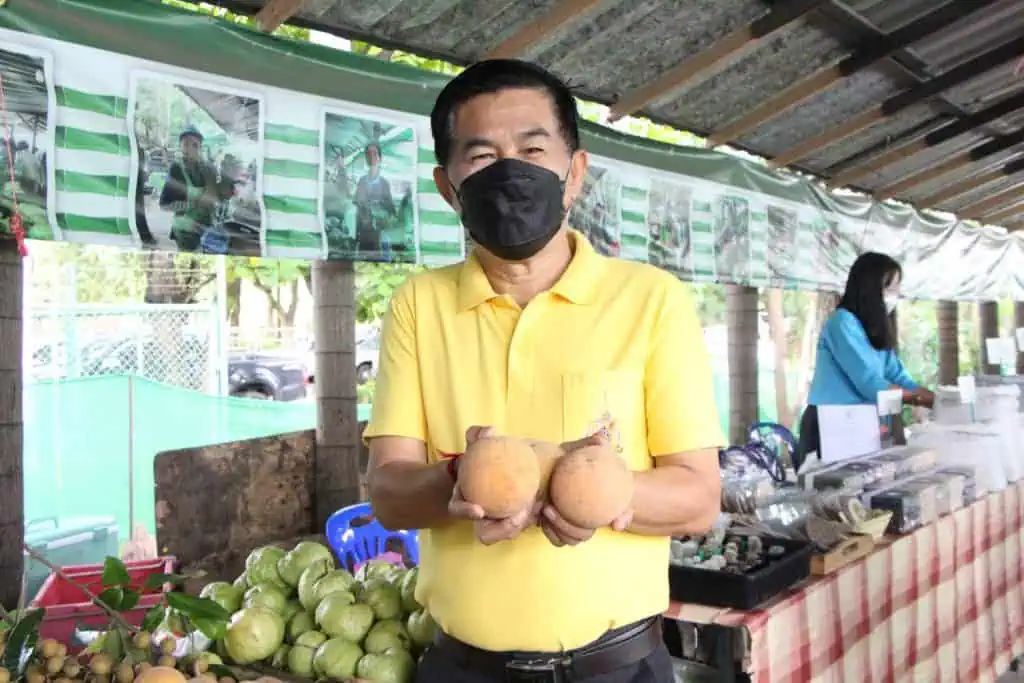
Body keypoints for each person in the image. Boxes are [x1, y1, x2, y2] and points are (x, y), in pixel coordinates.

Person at [363, 59, 724, 683]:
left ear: (574, 173)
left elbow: (697, 497)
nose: (510, 172)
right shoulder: (418, 305)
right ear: (448, 188)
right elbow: (389, 496)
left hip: (618, 666)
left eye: (533, 148)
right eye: (480, 157)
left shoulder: (651, 299)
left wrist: (583, 485)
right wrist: (463, 477)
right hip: (462, 668)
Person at [794, 252, 935, 469]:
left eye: (897, 289)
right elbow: (871, 385)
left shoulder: (875, 331)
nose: (895, 296)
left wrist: (936, 397)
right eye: (890, 289)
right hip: (831, 426)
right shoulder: (842, 323)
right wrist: (919, 398)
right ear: (871, 288)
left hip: (861, 426)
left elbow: (896, 375)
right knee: (830, 496)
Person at [158, 126, 219, 252]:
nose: (190, 149)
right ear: (181, 147)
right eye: (186, 144)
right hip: (185, 231)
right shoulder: (176, 169)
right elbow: (164, 205)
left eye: (195, 145)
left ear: (200, 148)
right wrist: (193, 204)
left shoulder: (206, 168)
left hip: (205, 228)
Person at [353, 142, 397, 254]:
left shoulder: (384, 184)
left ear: (380, 158)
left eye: (375, 153)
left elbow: (391, 211)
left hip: (377, 236)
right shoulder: (361, 181)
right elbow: (356, 204)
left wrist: (384, 218)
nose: (371, 156)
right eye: (368, 154)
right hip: (363, 234)